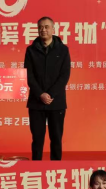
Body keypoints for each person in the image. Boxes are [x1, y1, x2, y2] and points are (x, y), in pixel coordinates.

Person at [24, 17, 71, 160]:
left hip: (56, 102)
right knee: (37, 140)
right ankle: (36, 167)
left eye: (46, 27)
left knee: (56, 139)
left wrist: (50, 94)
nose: (43, 30)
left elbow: (64, 75)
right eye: (40, 27)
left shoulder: (63, 50)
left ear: (53, 29)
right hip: (36, 102)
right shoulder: (31, 50)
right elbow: (28, 75)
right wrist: (40, 94)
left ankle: (55, 168)